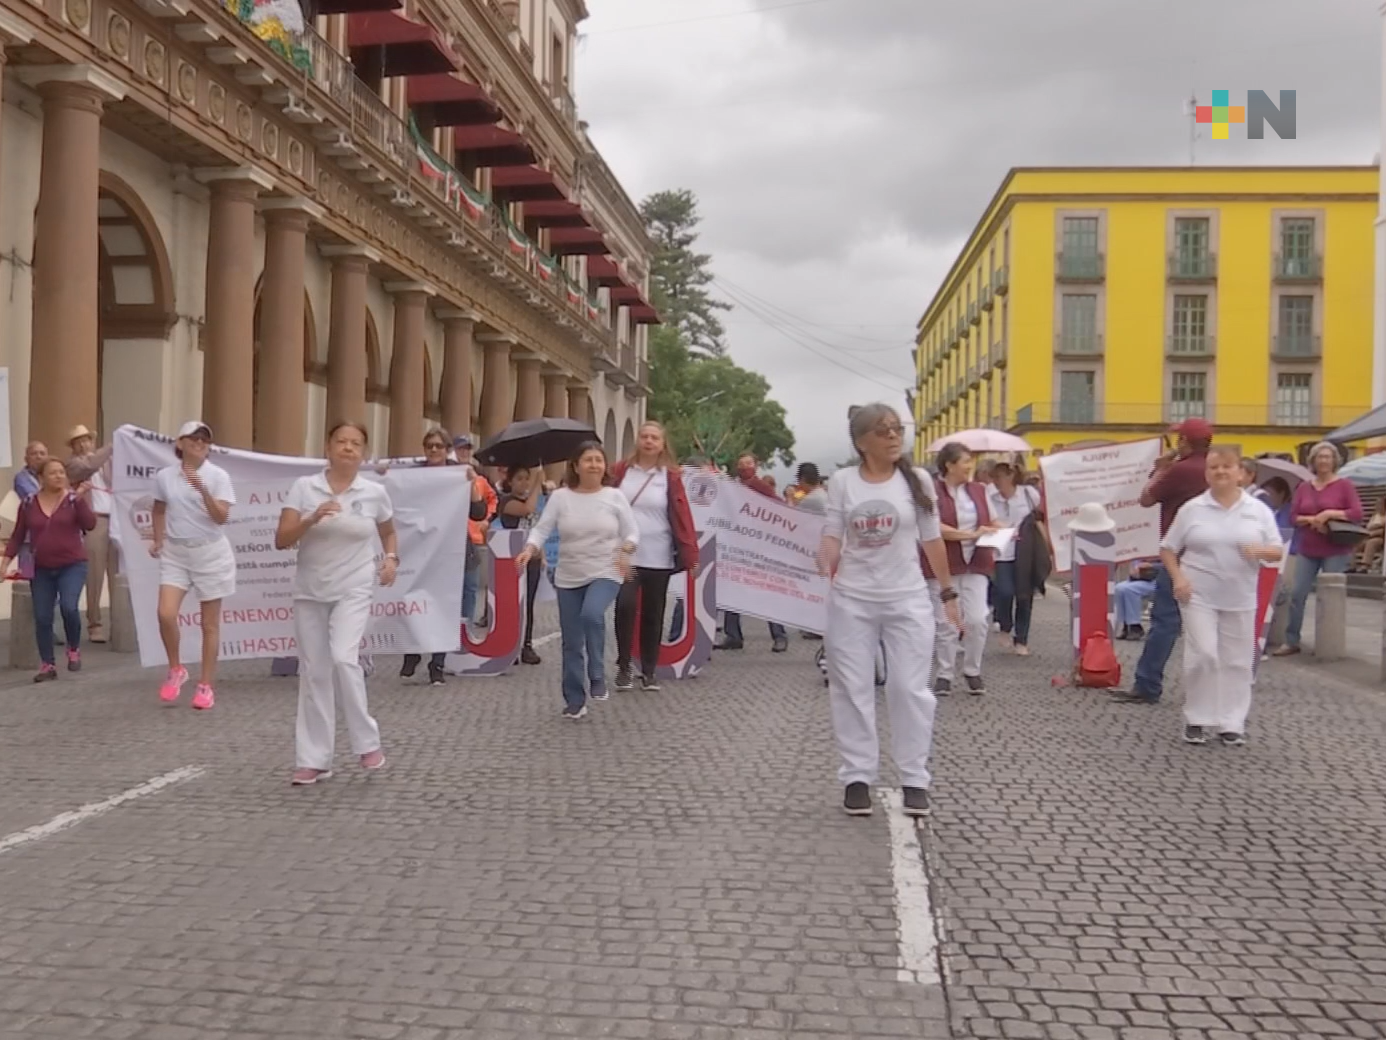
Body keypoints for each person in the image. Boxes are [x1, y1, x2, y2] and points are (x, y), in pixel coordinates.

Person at [818, 403, 960, 818]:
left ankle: (914, 778)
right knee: (851, 687)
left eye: (898, 429)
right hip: (852, 600)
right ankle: (857, 776)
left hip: (907, 598)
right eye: (883, 432)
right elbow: (832, 533)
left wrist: (948, 594)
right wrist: (823, 558)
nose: (894, 437)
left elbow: (932, 540)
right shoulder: (843, 481)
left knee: (909, 688)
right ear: (862, 442)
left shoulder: (917, 481)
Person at [276, 421, 398, 785]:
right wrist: (312, 518)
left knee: (345, 659)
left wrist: (391, 559)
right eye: (341, 442)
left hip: (354, 586)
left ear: (363, 452)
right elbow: (282, 538)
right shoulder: (304, 488)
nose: (347, 448)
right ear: (327, 447)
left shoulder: (373, 492)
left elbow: (389, 532)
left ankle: (366, 743)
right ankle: (314, 759)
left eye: (355, 443)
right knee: (314, 671)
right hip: (311, 588)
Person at [1161, 446, 1283, 746]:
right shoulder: (1193, 509)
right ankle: (1197, 717)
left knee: (1238, 660)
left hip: (1240, 595)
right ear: (1207, 474)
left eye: (1227, 466)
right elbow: (1168, 548)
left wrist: (1260, 551)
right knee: (1205, 654)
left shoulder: (1257, 510)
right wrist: (1178, 579)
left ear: (1240, 473)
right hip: (1198, 592)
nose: (1221, 472)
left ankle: (1231, 721)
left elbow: (1277, 549)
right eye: (1214, 467)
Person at [516, 441, 638, 720]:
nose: (594, 465)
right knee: (571, 642)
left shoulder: (614, 496)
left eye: (599, 460)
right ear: (576, 466)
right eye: (588, 460)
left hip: (606, 570)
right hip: (569, 576)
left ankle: (596, 672)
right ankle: (574, 698)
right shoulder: (561, 497)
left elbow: (632, 533)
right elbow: (542, 529)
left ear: (605, 466)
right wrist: (529, 549)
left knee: (593, 615)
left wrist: (626, 550)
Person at [1113, 418, 1212, 705]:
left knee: (1165, 621)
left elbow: (1146, 498)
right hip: (1209, 556)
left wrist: (1160, 469)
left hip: (1178, 554)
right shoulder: (1213, 468)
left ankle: (1147, 683)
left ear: (1184, 442)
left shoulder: (1180, 470)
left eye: (1177, 439)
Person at [150, 421, 236, 710]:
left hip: (210, 552)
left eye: (205, 440)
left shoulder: (218, 476)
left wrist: (203, 490)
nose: (200, 443)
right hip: (176, 552)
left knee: (209, 623)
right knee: (165, 613)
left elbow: (221, 517)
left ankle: (206, 685)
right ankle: (177, 669)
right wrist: (159, 539)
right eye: (194, 439)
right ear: (181, 443)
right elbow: (159, 508)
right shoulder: (165, 476)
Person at [611, 421, 698, 692]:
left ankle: (649, 669)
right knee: (624, 607)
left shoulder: (670, 476)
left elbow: (682, 515)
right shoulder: (621, 471)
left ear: (662, 444)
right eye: (644, 436)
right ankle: (624, 665)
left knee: (653, 612)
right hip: (626, 554)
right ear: (637, 440)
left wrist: (690, 553)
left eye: (654, 438)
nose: (648, 441)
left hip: (658, 554)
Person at [397, 427, 488, 684]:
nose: (434, 450)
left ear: (447, 449)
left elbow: (479, 513)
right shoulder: (414, 474)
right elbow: (398, 494)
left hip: (453, 549)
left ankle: (437, 663)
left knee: (445, 608)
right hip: (421, 549)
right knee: (414, 603)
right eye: (430, 446)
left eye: (439, 446)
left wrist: (472, 485)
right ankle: (412, 652)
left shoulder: (459, 474)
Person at [1, 459, 96, 681]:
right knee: (42, 616)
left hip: (72, 564)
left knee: (69, 607)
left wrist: (81, 500)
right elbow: (17, 536)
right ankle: (47, 665)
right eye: (53, 473)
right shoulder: (28, 503)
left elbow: (90, 524)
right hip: (41, 567)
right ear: (41, 478)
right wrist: (5, 562)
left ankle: (73, 648)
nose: (58, 476)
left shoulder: (73, 500)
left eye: (61, 472)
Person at [1273, 440, 1364, 657]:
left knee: (1330, 593)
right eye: (1319, 457)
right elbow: (1294, 517)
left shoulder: (1345, 486)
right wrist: (1310, 519)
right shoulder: (1304, 487)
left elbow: (1356, 513)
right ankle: (1292, 640)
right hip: (1308, 546)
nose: (1323, 460)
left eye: (1327, 457)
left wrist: (1330, 514)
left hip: (1335, 547)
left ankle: (1327, 644)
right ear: (1313, 461)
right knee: (1297, 593)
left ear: (1334, 461)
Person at [925, 442, 996, 694]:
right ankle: (944, 673)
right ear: (949, 465)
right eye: (965, 461)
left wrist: (997, 530)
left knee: (977, 619)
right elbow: (933, 527)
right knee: (946, 622)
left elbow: (992, 518)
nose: (969, 466)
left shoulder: (980, 490)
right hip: (944, 563)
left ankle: (972, 669)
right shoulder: (932, 492)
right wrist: (970, 534)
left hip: (976, 562)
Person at [717, 453, 789, 652]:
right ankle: (733, 635)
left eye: (748, 464)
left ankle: (779, 635)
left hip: (758, 548)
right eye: (741, 464)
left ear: (756, 466)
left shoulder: (761, 487)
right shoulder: (732, 487)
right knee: (732, 592)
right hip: (737, 546)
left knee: (766, 593)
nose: (744, 467)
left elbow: (779, 507)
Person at [66, 424, 117, 644]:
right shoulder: (75, 464)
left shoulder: (107, 462)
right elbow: (89, 464)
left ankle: (119, 621)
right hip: (95, 521)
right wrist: (113, 446)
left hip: (115, 520)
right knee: (94, 575)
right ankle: (94, 623)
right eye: (78, 442)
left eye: (86, 440)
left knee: (117, 575)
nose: (83, 444)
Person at [497, 464, 550, 665]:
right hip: (513, 558)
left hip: (532, 559)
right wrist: (538, 483)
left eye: (526, 478)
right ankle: (511, 643)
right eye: (519, 478)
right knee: (514, 604)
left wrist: (542, 554)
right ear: (510, 482)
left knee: (528, 604)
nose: (524, 483)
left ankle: (526, 644)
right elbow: (528, 509)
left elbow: (535, 527)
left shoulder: (529, 499)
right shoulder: (507, 501)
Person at [986, 461, 1041, 655]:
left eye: (999, 477)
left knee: (1024, 596)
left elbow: (1040, 516)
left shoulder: (1028, 494)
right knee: (1004, 591)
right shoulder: (989, 496)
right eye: (993, 477)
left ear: (1010, 477)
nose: (996, 481)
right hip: (1000, 551)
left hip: (1025, 551)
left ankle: (1022, 639)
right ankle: (1005, 625)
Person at [455, 435, 497, 626]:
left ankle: (467, 627)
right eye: (461, 448)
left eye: (467, 449)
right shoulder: (445, 474)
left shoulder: (479, 478)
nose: (464, 452)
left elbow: (492, 499)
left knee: (471, 587)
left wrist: (487, 519)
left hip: (473, 538)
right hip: (448, 539)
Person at [1114, 559, 1158, 640]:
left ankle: (1135, 626)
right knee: (1119, 588)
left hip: (1157, 580)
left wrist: (1151, 565)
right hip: (1140, 579)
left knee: (1130, 589)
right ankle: (1126, 626)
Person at [1353, 497, 1386, 573]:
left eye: (1380, 505)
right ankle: (1351, 566)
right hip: (1369, 535)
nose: (1378, 506)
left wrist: (1376, 528)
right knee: (1356, 544)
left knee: (1371, 543)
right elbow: (1369, 527)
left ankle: (1365, 566)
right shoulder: (1375, 516)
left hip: (1381, 538)